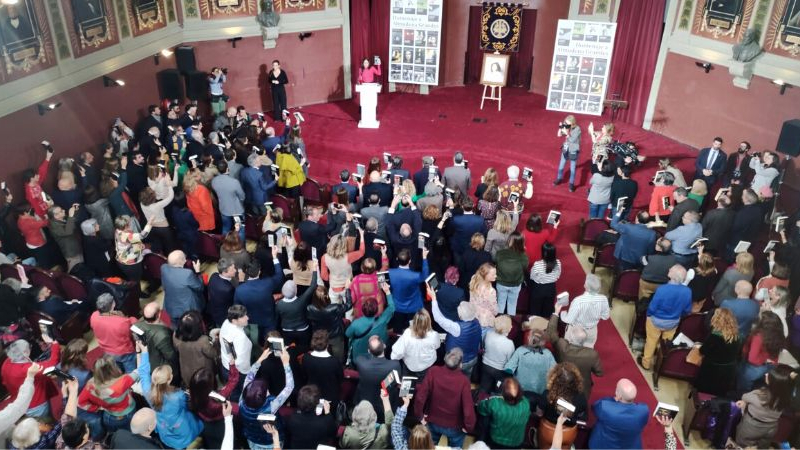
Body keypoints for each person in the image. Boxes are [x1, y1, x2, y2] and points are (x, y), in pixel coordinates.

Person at [139, 346, 204, 449]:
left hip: (164, 428)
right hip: (182, 430)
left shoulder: (148, 392)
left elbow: (143, 373)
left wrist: (144, 351)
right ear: (169, 380)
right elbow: (189, 406)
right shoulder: (178, 396)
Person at [413, 348, 476, 448]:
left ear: (445, 358)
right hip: (455, 426)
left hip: (432, 421)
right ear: (460, 364)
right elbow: (468, 409)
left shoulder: (433, 371)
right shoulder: (464, 381)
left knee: (429, 447)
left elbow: (421, 396)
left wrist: (419, 415)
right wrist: (469, 427)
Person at [639, 265, 692, 370]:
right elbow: (687, 310)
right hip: (673, 322)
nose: (668, 270)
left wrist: (649, 315)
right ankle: (659, 363)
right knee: (665, 343)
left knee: (651, 341)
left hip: (655, 321)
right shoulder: (687, 291)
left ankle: (646, 363)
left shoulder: (662, 289)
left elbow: (652, 307)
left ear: (673, 276)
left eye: (670, 270)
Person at [240, 348, 294, 450]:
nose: (268, 390)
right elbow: (289, 387)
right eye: (266, 391)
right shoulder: (272, 405)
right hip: (271, 442)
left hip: (252, 439)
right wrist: (286, 363)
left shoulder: (241, 401)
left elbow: (249, 376)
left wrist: (260, 359)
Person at [78, 354, 142, 433]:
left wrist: (97, 408)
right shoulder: (123, 381)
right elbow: (140, 371)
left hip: (108, 416)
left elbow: (80, 402)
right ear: (113, 369)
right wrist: (139, 353)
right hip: (128, 414)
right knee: (133, 432)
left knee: (116, 433)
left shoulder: (90, 385)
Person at [547, 308, 603, 398]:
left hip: (563, 384)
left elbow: (551, 332)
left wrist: (556, 312)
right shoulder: (592, 354)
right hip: (582, 389)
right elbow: (599, 373)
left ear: (571, 338)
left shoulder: (562, 346)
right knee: (579, 407)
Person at [734, 364, 793, 448]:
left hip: (752, 426)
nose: (766, 374)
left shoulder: (758, 395)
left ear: (773, 383)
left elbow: (745, 397)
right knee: (763, 445)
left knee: (743, 443)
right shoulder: (787, 397)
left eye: (769, 375)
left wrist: (744, 402)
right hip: (772, 427)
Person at [2, 339, 59, 420]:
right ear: (24, 352)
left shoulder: (6, 363)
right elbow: (52, 364)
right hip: (36, 405)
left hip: (20, 402)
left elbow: (5, 382)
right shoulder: (27, 369)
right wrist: (55, 345)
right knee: (46, 423)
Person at [587, 378, 649, 449]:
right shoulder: (644, 410)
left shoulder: (605, 407)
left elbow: (594, 407)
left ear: (619, 395)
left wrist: (613, 399)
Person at [430, 291, 481, 376]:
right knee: (466, 379)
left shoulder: (457, 328)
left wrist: (434, 299)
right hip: (472, 359)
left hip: (457, 362)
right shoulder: (477, 323)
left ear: (460, 315)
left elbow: (438, 318)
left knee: (452, 380)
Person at [235, 254, 283, 343]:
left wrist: (241, 282)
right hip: (269, 321)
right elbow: (279, 276)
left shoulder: (239, 290)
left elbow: (237, 308)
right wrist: (275, 257)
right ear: (259, 271)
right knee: (271, 343)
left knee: (255, 344)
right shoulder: (268, 283)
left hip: (252, 323)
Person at [694, 308, 741, 396]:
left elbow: (703, 350)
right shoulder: (737, 335)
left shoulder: (715, 335)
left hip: (712, 370)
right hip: (729, 371)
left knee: (705, 392)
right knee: (719, 393)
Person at [354, 336, 401, 423]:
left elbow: (359, 357)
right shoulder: (394, 365)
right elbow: (397, 382)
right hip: (385, 403)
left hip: (365, 400)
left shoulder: (361, 362)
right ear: (384, 346)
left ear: (368, 351)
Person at [737, 311, 784, 394]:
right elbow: (776, 354)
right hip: (770, 366)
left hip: (754, 367)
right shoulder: (778, 334)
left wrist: (764, 360)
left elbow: (752, 359)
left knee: (743, 388)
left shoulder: (758, 336)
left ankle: (743, 397)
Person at [505, 328, 556, 405]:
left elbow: (509, 368)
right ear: (543, 340)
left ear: (529, 339)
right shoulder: (548, 354)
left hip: (521, 389)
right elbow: (555, 370)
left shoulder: (520, 350)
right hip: (540, 391)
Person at [477, 377, 531, 449]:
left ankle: (481, 440)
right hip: (517, 442)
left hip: (496, 440)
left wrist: (487, 400)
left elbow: (481, 408)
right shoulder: (525, 403)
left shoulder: (495, 403)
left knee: (486, 416)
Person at [346, 283, 395, 362]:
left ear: (363, 310)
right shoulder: (382, 320)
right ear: (376, 310)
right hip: (379, 351)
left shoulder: (356, 324)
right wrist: (387, 292)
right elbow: (392, 307)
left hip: (360, 355)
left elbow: (347, 334)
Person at [90, 293, 137, 373]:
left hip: (106, 351)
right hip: (123, 352)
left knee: (117, 370)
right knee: (131, 373)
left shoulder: (93, 316)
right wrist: (131, 319)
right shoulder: (122, 322)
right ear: (113, 304)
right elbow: (130, 332)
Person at [559, 274, 609, 348]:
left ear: (586, 287)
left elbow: (569, 320)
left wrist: (563, 314)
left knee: (571, 349)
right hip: (592, 330)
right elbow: (605, 316)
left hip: (576, 331)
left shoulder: (578, 301)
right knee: (587, 351)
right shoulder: (604, 299)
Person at [307, 284, 353, 362]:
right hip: (335, 336)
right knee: (338, 358)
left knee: (322, 358)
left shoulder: (309, 308)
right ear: (327, 296)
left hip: (320, 336)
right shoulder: (335, 307)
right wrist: (348, 290)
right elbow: (348, 305)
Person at [387, 248, 429, 331]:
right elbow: (425, 275)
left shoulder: (390, 273)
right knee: (415, 328)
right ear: (410, 261)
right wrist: (424, 258)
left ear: (397, 259)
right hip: (414, 306)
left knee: (398, 328)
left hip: (397, 306)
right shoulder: (415, 276)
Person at [173, 310, 217, 388]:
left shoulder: (176, 336)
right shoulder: (203, 340)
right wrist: (216, 342)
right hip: (202, 374)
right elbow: (213, 354)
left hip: (186, 371)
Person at [390, 308, 440, 377]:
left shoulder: (407, 333)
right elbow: (437, 346)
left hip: (410, 366)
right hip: (427, 366)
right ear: (429, 321)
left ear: (415, 321)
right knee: (424, 385)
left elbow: (396, 353)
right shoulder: (434, 335)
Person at [284, 384, 337, 449]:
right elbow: (333, 433)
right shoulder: (325, 422)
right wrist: (328, 412)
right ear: (317, 403)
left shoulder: (292, 418)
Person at [302, 330, 344, 408]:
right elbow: (340, 378)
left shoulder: (306, 358)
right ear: (327, 344)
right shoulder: (334, 361)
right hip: (330, 396)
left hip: (312, 395)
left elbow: (304, 375)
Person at [161, 250, 204, 325]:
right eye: (184, 258)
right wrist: (197, 271)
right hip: (187, 310)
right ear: (181, 261)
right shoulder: (187, 274)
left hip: (170, 307)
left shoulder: (163, 268)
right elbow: (199, 287)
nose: (186, 259)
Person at [220, 305, 254, 400]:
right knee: (240, 393)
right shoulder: (240, 337)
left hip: (225, 365)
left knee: (233, 391)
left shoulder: (226, 322)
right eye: (243, 316)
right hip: (238, 372)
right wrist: (248, 372)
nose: (247, 317)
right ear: (234, 321)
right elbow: (241, 363)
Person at [136, 302, 177, 375]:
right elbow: (171, 356)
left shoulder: (136, 326)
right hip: (159, 368)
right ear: (159, 314)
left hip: (145, 360)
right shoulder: (162, 335)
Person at [494, 232, 528, 315]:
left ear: (509, 240)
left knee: (500, 304)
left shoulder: (499, 253)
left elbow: (495, 264)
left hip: (501, 283)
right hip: (515, 284)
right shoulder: (524, 256)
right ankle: (511, 325)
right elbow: (525, 268)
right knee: (512, 305)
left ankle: (499, 324)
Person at [211, 160, 246, 241]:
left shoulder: (214, 181)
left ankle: (224, 244)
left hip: (223, 209)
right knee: (240, 229)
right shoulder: (234, 182)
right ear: (227, 169)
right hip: (237, 210)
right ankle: (241, 246)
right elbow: (242, 196)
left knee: (226, 228)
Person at [480, 315, 515, 393]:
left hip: (485, 365)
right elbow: (510, 360)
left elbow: (483, 346)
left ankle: (480, 401)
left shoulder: (488, 333)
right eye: (510, 325)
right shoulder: (509, 343)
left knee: (484, 388)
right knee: (499, 390)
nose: (512, 326)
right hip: (499, 370)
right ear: (508, 329)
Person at [207, 258, 239, 327]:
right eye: (232, 269)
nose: (235, 270)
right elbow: (234, 301)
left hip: (213, 310)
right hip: (223, 316)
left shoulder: (214, 276)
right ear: (224, 272)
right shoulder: (228, 288)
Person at [554, 115, 582, 192]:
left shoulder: (577, 129)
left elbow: (572, 139)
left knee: (572, 168)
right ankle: (559, 178)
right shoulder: (566, 126)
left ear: (573, 123)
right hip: (566, 148)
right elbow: (559, 135)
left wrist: (566, 132)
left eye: (568, 124)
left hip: (573, 150)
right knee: (561, 165)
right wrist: (560, 128)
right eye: (566, 123)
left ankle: (571, 184)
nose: (566, 125)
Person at [469, 262, 498, 332]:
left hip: (473, 317)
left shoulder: (474, 280)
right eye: (493, 274)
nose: (496, 276)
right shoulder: (491, 291)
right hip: (486, 321)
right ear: (485, 275)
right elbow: (495, 311)